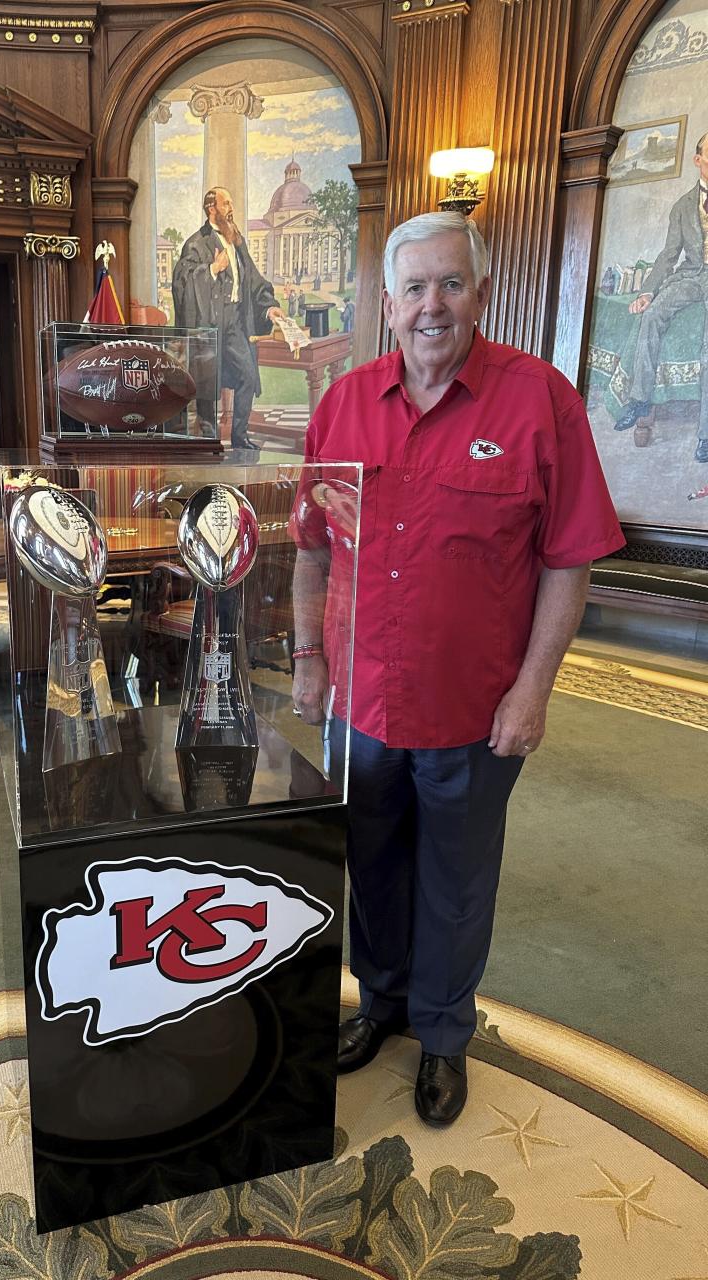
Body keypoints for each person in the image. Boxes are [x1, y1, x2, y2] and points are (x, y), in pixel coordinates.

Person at [291, 212, 625, 1126]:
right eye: (414, 288)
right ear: (387, 304)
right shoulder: (344, 403)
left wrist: (534, 690)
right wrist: (310, 659)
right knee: (374, 861)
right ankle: (385, 1002)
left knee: (457, 877)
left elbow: (570, 557)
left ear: (480, 293)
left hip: (477, 708)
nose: (431, 305)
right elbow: (312, 548)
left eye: (450, 284)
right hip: (362, 696)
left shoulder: (541, 401)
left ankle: (443, 1034)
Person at [613, 129, 708, 462]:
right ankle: (639, 400)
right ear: (698, 161)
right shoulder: (683, 206)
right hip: (694, 277)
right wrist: (648, 292)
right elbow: (669, 255)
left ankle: (706, 435)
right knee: (652, 315)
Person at [172, 187, 283, 450]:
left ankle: (240, 436)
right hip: (207, 326)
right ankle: (209, 440)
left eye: (231, 203)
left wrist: (269, 308)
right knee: (207, 383)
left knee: (247, 375)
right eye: (226, 203)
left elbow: (253, 280)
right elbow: (182, 281)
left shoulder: (236, 240)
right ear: (212, 209)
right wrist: (211, 269)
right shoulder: (196, 243)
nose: (231, 208)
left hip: (234, 324)